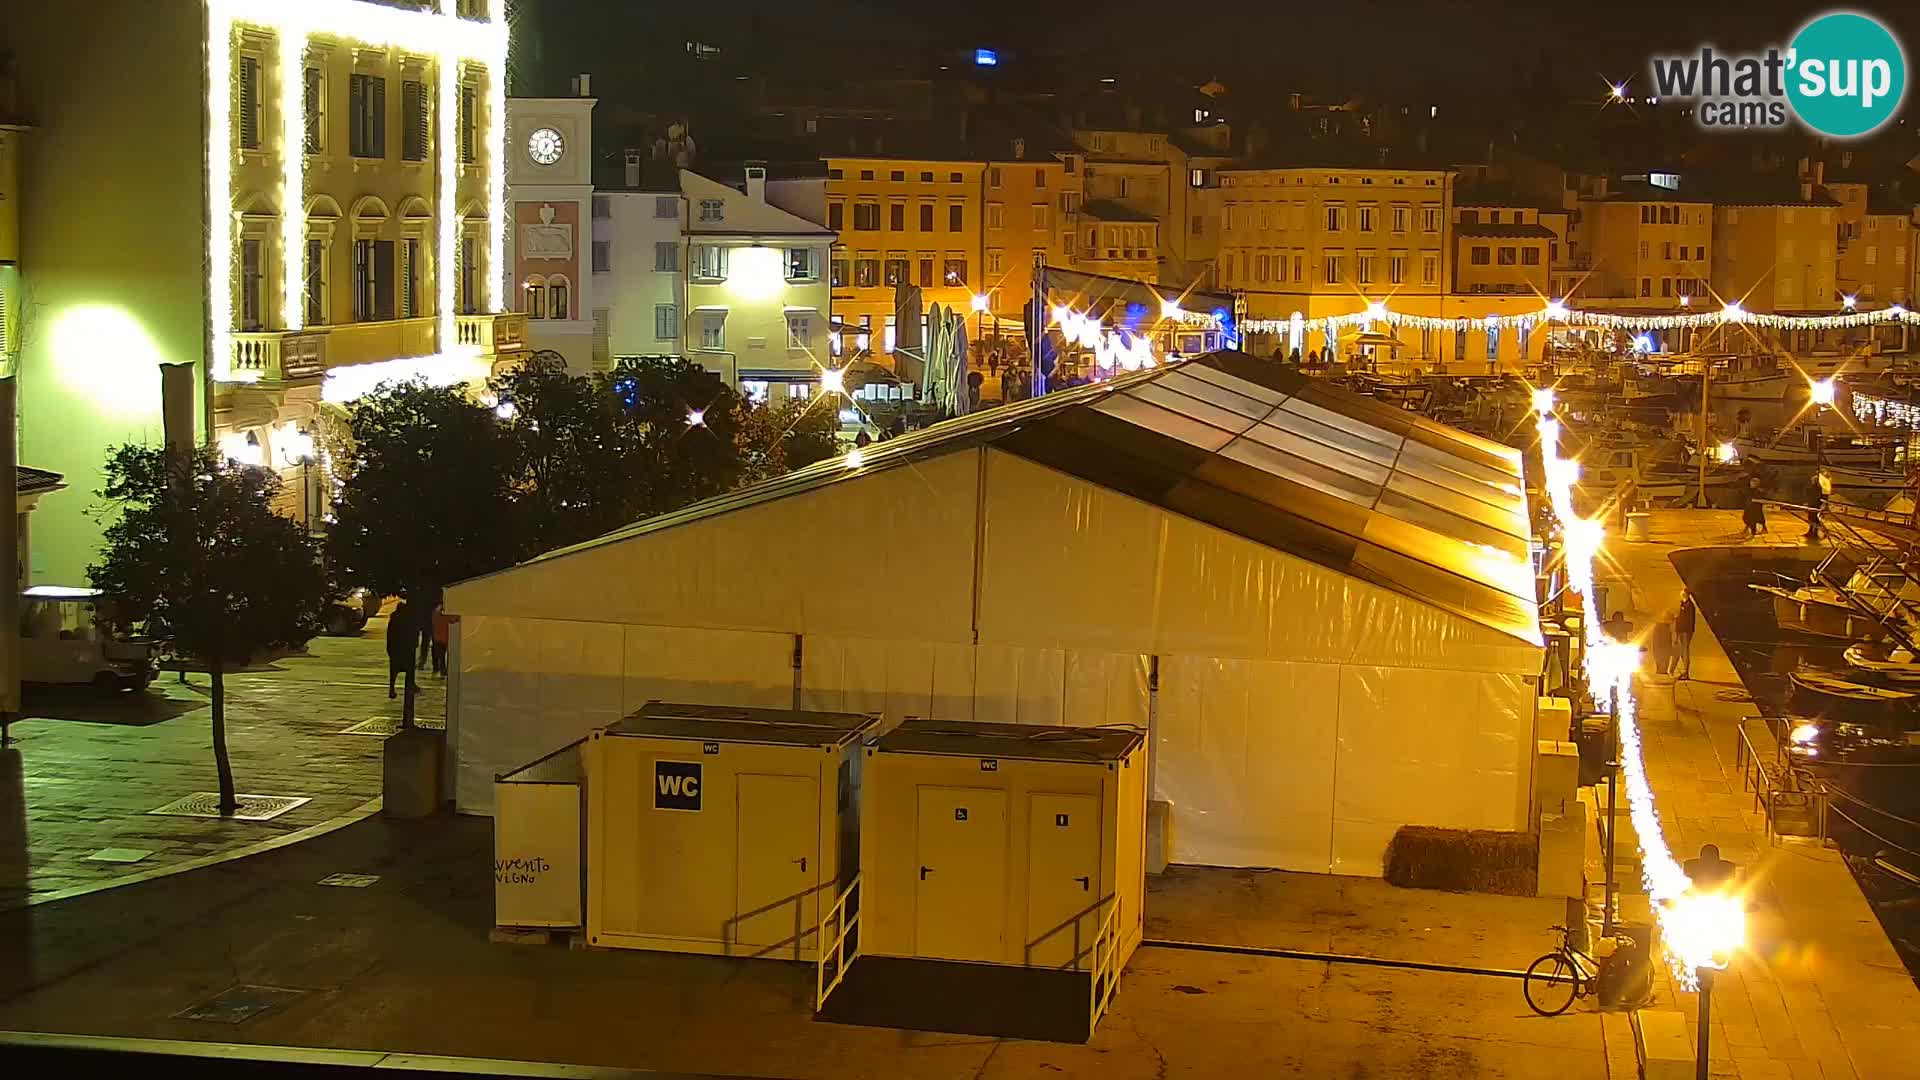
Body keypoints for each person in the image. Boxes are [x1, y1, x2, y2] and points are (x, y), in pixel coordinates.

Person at [386, 598, 416, 700]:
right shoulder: (404, 620)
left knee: (394, 672)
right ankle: (409, 685)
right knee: (408, 669)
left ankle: (392, 688)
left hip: (395, 649)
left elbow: (389, 636)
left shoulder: (394, 620)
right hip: (403, 649)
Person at [1674, 594, 1697, 679]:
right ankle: (1685, 671)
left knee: (1685, 651)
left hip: (1685, 631)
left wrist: (1679, 630)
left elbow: (1686, 620)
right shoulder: (1683, 604)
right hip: (1683, 630)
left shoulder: (1688, 606)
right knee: (1683, 651)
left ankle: (1686, 672)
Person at [1742, 473, 1767, 538]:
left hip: (1755, 508)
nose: (1752, 484)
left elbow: (1760, 499)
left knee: (1754, 520)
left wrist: (1755, 500)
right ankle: (1748, 528)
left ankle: (1753, 533)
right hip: (1748, 507)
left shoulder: (1758, 491)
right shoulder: (1749, 490)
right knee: (1746, 517)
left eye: (1754, 483)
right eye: (1751, 482)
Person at [430, 601, 451, 677]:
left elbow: (433, 623)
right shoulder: (448, 614)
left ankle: (438, 668)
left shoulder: (435, 612)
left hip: (437, 637)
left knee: (439, 654)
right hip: (444, 637)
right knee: (442, 655)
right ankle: (442, 669)